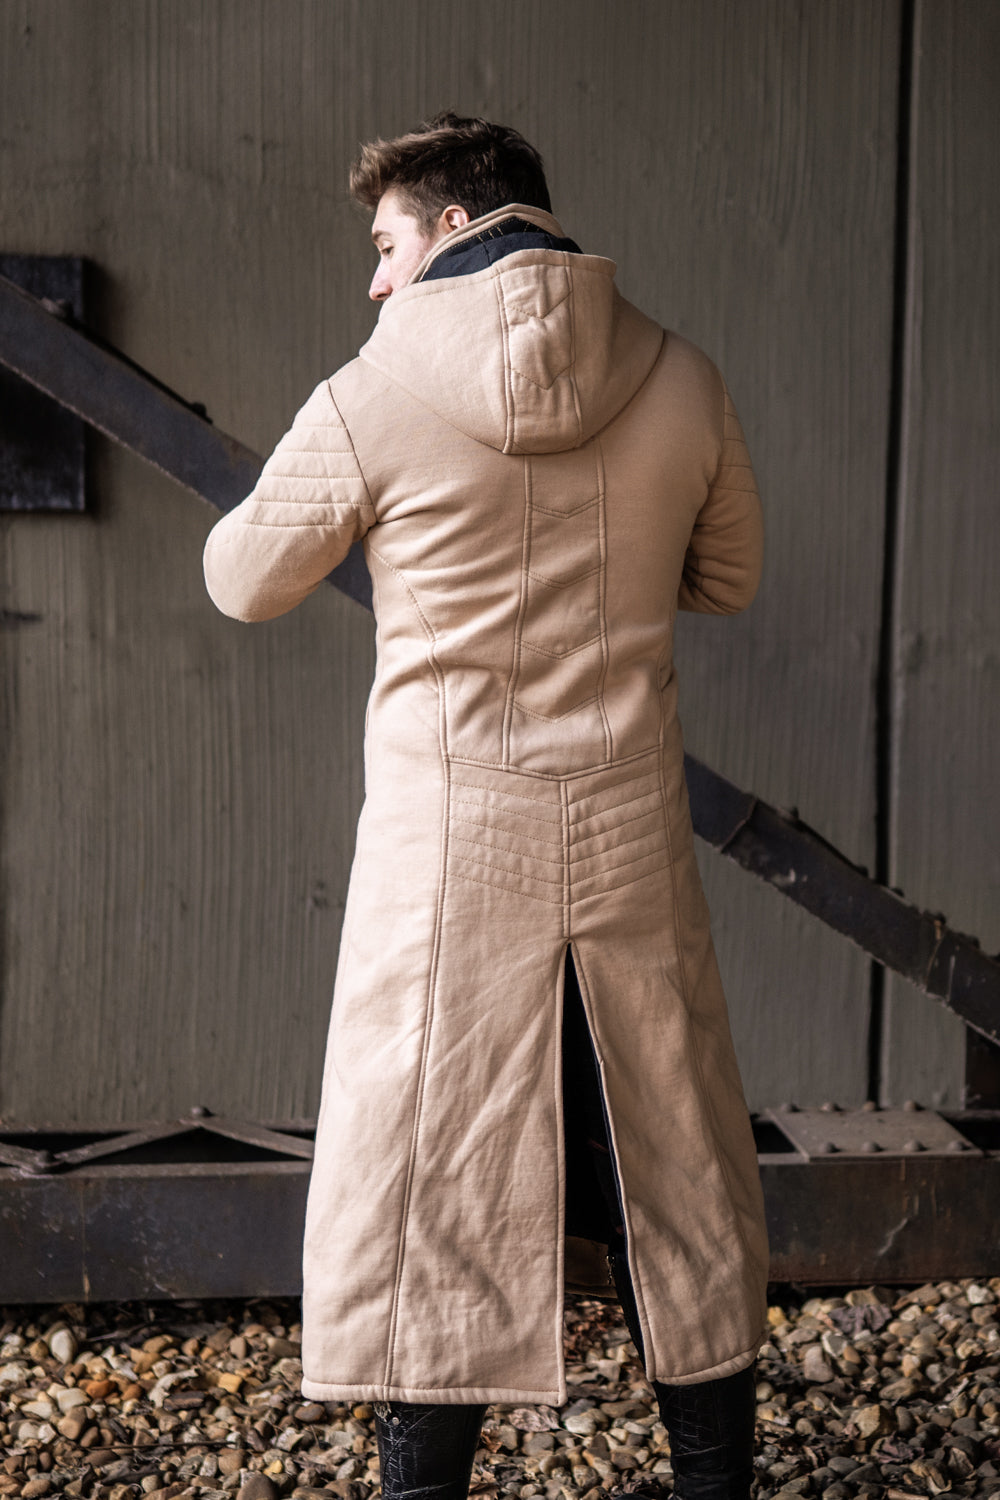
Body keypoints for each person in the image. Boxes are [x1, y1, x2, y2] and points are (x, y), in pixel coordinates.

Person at [203, 113, 768, 1500]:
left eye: (385, 244)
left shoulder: (369, 394)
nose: (374, 279)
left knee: (434, 1181)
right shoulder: (683, 375)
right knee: (677, 1175)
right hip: (629, 843)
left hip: (452, 861)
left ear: (456, 223)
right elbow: (729, 577)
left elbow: (243, 580)